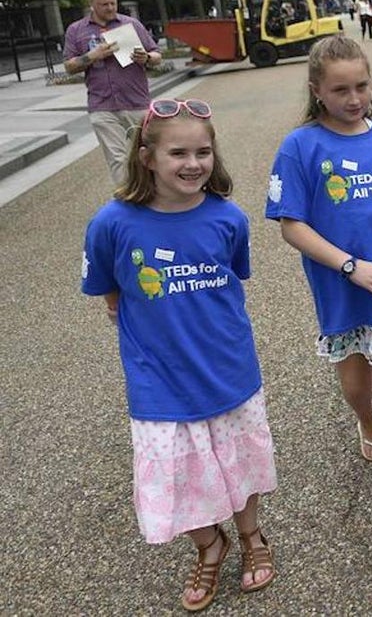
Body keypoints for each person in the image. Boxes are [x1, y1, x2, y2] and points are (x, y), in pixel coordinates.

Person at [82, 97, 277, 611]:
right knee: (177, 471)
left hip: (228, 366)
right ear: (146, 156)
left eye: (203, 152)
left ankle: (252, 534)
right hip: (158, 380)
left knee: (241, 462)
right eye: (177, 153)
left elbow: (233, 277)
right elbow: (109, 292)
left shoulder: (228, 218)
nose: (193, 164)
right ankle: (209, 545)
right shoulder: (112, 224)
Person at [266, 35, 372, 550]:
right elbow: (290, 223)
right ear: (317, 90)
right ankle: (365, 422)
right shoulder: (300, 146)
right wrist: (349, 266)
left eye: (361, 85)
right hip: (342, 292)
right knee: (357, 387)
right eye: (340, 89)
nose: (354, 98)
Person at [63, 0, 163, 186]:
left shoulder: (131, 24)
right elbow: (69, 66)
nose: (110, 8)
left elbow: (157, 55)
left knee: (146, 156)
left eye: (113, 3)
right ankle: (128, 203)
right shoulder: (76, 30)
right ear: (92, 4)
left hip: (136, 103)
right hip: (102, 106)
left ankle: (153, 197)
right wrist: (92, 55)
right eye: (104, 4)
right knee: (118, 160)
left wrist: (147, 57)